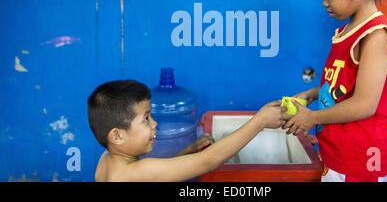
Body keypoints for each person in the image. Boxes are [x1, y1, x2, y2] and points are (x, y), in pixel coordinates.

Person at [283, 0, 387, 182]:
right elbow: (345, 88)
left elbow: (364, 104)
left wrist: (312, 117)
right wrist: (314, 93)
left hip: (366, 162)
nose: (324, 3)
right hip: (343, 156)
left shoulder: (375, 37)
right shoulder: (347, 32)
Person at [87, 79, 285, 181]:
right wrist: (259, 122)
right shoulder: (134, 173)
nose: (155, 124)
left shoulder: (106, 160)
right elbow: (207, 161)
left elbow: (158, 174)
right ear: (117, 135)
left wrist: (186, 152)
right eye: (146, 118)